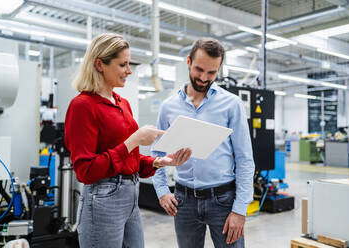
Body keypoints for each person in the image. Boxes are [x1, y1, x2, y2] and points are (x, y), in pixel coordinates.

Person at [64, 33, 191, 248]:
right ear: (99, 64)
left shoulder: (122, 103)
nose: (129, 71)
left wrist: (160, 162)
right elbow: (86, 171)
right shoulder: (82, 105)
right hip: (103, 198)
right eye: (122, 64)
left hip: (131, 194)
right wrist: (134, 140)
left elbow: (129, 159)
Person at [152, 38, 255, 248]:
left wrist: (239, 210)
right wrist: (162, 191)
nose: (204, 77)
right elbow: (156, 153)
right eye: (199, 69)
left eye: (212, 73)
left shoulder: (232, 104)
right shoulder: (168, 107)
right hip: (184, 201)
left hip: (224, 201)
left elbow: (245, 159)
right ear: (188, 61)